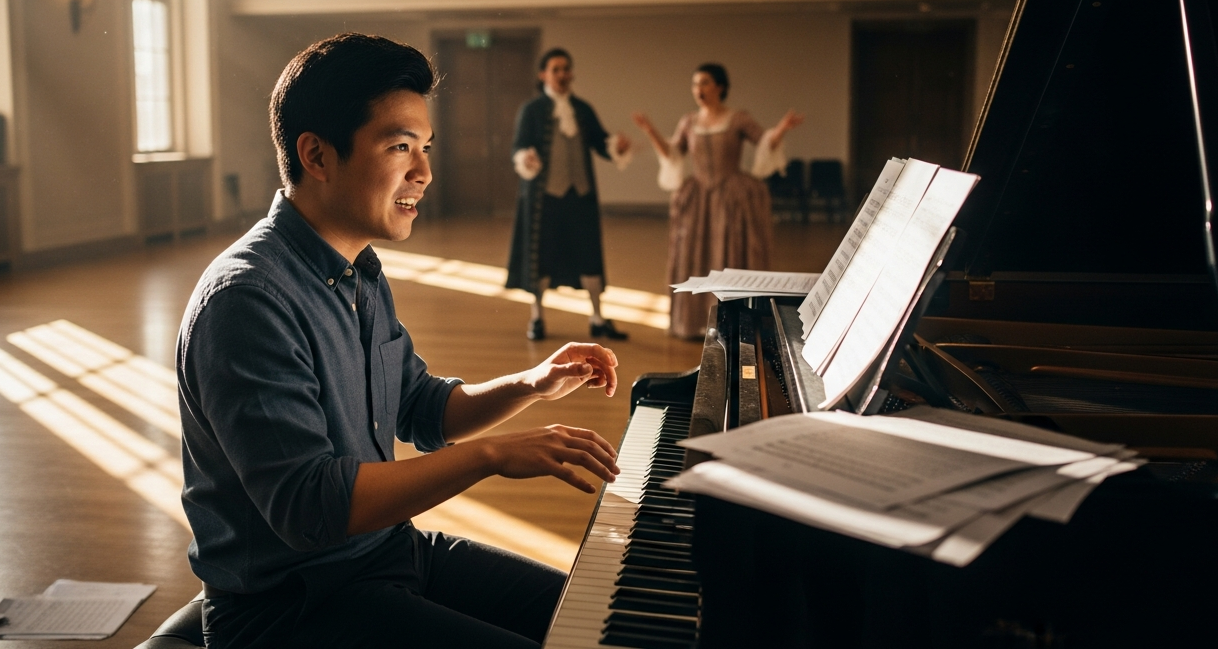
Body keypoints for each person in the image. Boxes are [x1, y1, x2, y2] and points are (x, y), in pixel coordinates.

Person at [178, 33, 623, 649]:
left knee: (602, 622)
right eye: (400, 147)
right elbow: (313, 509)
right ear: (317, 155)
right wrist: (493, 456)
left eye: (426, 147)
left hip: (388, 554)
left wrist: (532, 383)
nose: (425, 172)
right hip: (290, 609)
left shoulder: (358, 269)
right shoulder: (247, 300)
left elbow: (421, 407)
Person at [632, 63, 804, 339]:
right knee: (695, 255)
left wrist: (781, 129)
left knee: (731, 253)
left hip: (732, 196)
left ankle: (736, 323)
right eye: (695, 84)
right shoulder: (689, 121)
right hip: (698, 197)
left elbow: (764, 142)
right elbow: (674, 153)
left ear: (720, 87)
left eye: (705, 83)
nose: (698, 89)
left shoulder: (737, 119)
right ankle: (695, 323)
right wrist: (650, 131)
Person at [506, 48, 632, 342]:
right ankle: (537, 318)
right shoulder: (532, 110)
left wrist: (618, 147)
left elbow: (602, 143)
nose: (562, 74)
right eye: (556, 69)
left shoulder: (582, 109)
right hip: (544, 199)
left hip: (580, 196)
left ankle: (598, 318)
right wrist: (527, 158)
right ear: (543, 75)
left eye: (566, 69)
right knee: (542, 257)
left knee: (589, 255)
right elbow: (519, 147)